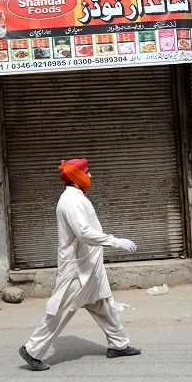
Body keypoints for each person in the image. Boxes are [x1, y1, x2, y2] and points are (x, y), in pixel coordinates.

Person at [19, 158, 141, 371]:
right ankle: (31, 350)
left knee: (103, 304)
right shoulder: (71, 200)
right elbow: (83, 232)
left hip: (90, 267)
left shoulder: (77, 197)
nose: (90, 176)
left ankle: (118, 345)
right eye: (87, 172)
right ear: (78, 176)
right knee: (60, 311)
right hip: (78, 269)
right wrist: (115, 241)